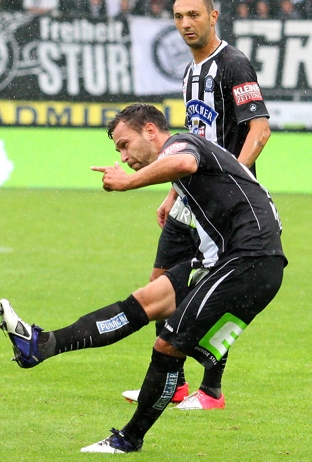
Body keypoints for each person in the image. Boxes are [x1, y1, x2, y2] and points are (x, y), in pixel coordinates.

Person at [0, 103, 286, 453]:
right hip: (224, 259)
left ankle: (129, 440)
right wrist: (170, 196)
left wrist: (127, 182)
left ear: (151, 131)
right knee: (144, 301)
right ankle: (40, 346)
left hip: (251, 261)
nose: (123, 154)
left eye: (124, 143)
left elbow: (184, 161)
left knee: (168, 345)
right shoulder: (184, 152)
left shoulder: (179, 143)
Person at [121, 0, 273, 411]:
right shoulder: (191, 72)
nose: (186, 24)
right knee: (159, 284)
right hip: (191, 194)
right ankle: (177, 383)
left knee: (210, 287)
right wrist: (173, 190)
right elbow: (195, 136)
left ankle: (212, 391)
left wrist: (233, 182)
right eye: (179, 16)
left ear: (213, 17)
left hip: (225, 204)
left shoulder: (234, 64)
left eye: (194, 15)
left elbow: (260, 129)